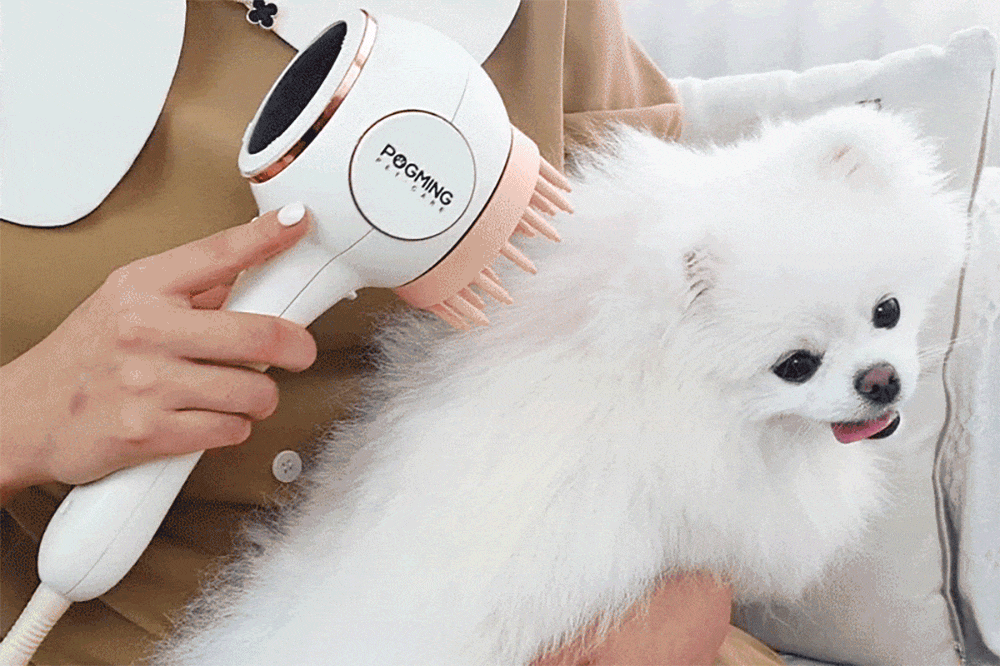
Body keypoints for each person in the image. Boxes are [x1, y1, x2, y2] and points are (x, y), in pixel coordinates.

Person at [0, 1, 782, 663]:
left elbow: (716, 350)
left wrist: (678, 585)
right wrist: (24, 416)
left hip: (558, 629)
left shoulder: (542, 20)